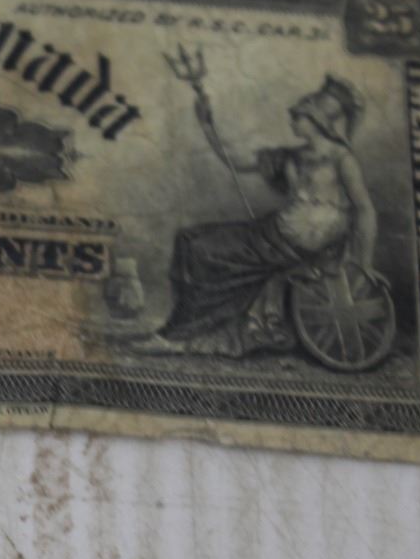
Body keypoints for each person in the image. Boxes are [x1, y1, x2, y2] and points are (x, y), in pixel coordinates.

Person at [131, 74, 377, 358]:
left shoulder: (343, 160)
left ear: (317, 121)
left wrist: (364, 264)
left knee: (200, 250)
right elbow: (235, 161)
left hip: (289, 243)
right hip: (273, 235)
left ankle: (178, 335)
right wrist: (208, 124)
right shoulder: (290, 157)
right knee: (188, 239)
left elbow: (364, 209)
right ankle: (191, 326)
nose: (292, 121)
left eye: (298, 116)